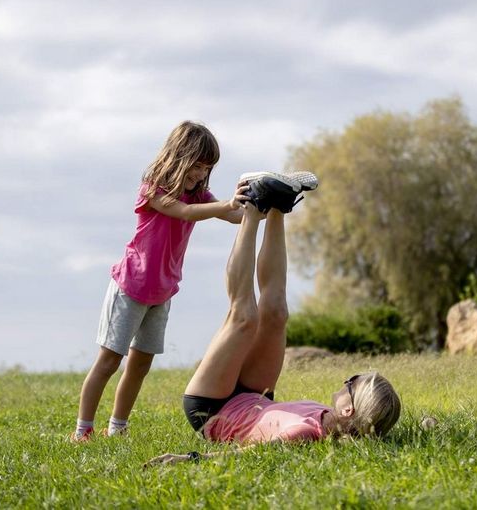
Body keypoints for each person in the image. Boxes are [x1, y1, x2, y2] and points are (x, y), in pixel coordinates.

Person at [144, 172, 401, 465]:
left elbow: (248, 455)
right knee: (277, 312)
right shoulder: (329, 418)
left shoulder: (303, 432)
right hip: (256, 395)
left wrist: (186, 459)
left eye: (352, 383)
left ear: (349, 411)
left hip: (212, 408)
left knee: (244, 316)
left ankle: (254, 204)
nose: (346, 380)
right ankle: (279, 205)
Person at [71, 121, 250, 442]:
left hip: (162, 292)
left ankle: (118, 427)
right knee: (110, 361)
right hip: (130, 287)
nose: (200, 174)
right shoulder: (153, 188)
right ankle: (83, 429)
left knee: (140, 366)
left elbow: (235, 216)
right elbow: (181, 212)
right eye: (197, 166)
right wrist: (227, 204)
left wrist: (261, 205)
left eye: (206, 168)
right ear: (180, 156)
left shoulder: (200, 195)